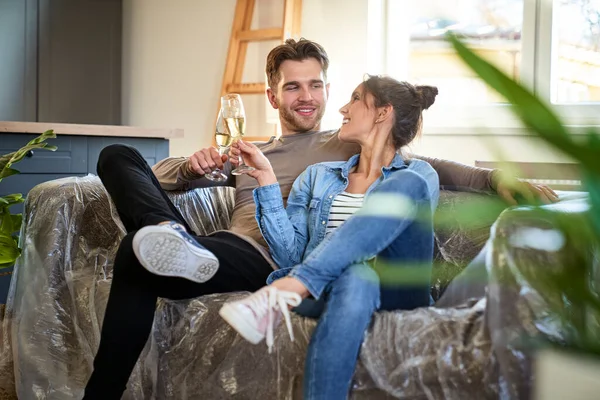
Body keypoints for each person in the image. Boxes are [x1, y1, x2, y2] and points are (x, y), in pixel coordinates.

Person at [83, 38, 557, 399]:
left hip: (271, 259)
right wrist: (194, 167)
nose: (306, 96)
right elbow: (158, 178)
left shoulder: (347, 143)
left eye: (315, 85)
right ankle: (170, 237)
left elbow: (430, 169)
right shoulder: (253, 152)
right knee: (119, 159)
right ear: (273, 96)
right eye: (292, 86)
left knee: (135, 257)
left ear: (330, 91)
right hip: (224, 248)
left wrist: (497, 179)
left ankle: (270, 280)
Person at [219, 75, 440, 399]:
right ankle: (296, 287)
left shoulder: (419, 175)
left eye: (355, 99)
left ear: (382, 112)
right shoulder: (318, 176)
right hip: (336, 291)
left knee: (407, 185)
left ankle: (287, 289)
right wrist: (266, 178)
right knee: (356, 275)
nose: (342, 108)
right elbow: (290, 255)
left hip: (399, 288)